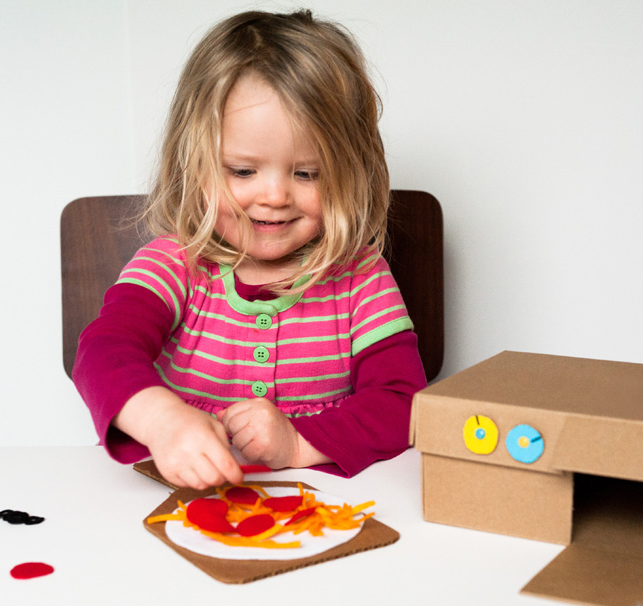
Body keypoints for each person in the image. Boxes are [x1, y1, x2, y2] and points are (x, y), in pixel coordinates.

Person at [73, 10, 427, 490]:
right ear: (194, 166)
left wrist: (298, 444)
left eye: (307, 173)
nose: (275, 196)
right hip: (169, 500)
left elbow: (401, 399)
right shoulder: (175, 264)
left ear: (351, 172)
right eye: (242, 171)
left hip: (325, 504)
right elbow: (103, 351)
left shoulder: (361, 277)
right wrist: (162, 421)